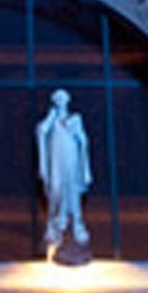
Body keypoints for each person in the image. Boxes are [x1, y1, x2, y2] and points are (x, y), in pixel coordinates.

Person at [37, 89, 92, 258]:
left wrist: (85, 168)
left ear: (67, 101)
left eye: (63, 98)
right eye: (57, 99)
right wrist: (50, 117)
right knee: (56, 191)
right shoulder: (51, 120)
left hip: (71, 160)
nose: (60, 101)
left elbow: (83, 140)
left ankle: (74, 227)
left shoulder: (75, 119)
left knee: (71, 191)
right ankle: (56, 230)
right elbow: (41, 131)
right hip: (56, 162)